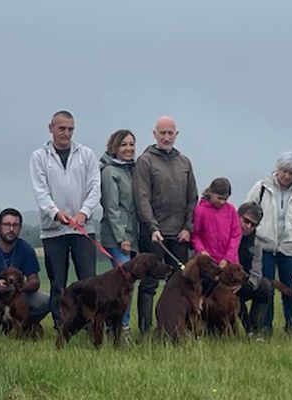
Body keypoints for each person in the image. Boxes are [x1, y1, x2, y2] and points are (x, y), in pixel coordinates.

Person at [28, 110, 101, 329]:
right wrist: (56, 213)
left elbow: (95, 188)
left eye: (70, 129)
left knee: (88, 281)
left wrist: (84, 213)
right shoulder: (39, 157)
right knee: (57, 282)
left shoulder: (86, 154)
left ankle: (90, 324)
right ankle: (61, 325)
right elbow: (40, 191)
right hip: (53, 230)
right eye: (62, 128)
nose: (66, 133)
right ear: (51, 128)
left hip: (83, 229)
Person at [133, 116, 198, 334]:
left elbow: (192, 198)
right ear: (154, 134)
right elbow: (142, 198)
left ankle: (175, 329)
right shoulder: (145, 161)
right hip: (154, 234)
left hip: (180, 234)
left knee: (178, 284)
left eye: (171, 133)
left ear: (176, 134)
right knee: (150, 283)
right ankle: (145, 329)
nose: (167, 137)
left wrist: (188, 227)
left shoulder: (185, 162)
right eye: (163, 133)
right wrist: (152, 228)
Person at [244, 151, 292, 334]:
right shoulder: (261, 188)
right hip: (264, 245)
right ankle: (264, 327)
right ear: (277, 169)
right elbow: (246, 211)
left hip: (290, 248)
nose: (287, 176)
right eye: (284, 171)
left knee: (290, 289)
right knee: (266, 288)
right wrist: (254, 232)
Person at [0, 209, 50, 333]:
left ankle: (23, 325)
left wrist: (20, 286)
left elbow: (35, 281)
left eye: (15, 225)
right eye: (7, 225)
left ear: (20, 227)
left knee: (46, 301)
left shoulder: (26, 248)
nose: (11, 229)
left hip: (17, 296)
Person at [99, 129, 138, 331]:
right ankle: (121, 327)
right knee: (124, 280)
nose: (128, 148)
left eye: (131, 144)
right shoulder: (109, 172)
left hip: (134, 235)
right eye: (124, 144)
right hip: (117, 237)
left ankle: (113, 325)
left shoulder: (133, 169)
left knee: (124, 284)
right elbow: (112, 208)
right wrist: (122, 237)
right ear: (114, 147)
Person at [234, 202, 271, 335]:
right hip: (223, 283)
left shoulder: (256, 243)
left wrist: (246, 285)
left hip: (244, 282)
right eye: (246, 221)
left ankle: (255, 330)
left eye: (253, 224)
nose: (248, 226)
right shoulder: (224, 233)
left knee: (265, 286)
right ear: (238, 216)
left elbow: (256, 272)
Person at [192, 177, 243, 266]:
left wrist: (228, 258)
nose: (222, 202)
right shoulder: (200, 211)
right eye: (219, 198)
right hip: (208, 262)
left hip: (228, 262)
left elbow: (236, 235)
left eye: (225, 199)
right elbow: (196, 235)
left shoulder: (231, 210)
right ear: (211, 193)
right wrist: (201, 251)